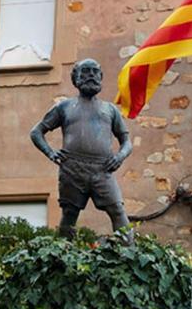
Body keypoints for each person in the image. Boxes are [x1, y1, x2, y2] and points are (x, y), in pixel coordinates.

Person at [30, 58, 133, 239]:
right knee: (70, 214)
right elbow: (36, 132)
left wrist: (120, 156)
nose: (91, 76)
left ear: (101, 77)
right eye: (86, 71)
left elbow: (126, 141)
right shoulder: (64, 107)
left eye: (95, 72)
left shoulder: (110, 110)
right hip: (72, 169)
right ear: (75, 78)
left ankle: (130, 252)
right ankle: (62, 255)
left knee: (117, 209)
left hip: (103, 169)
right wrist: (51, 153)